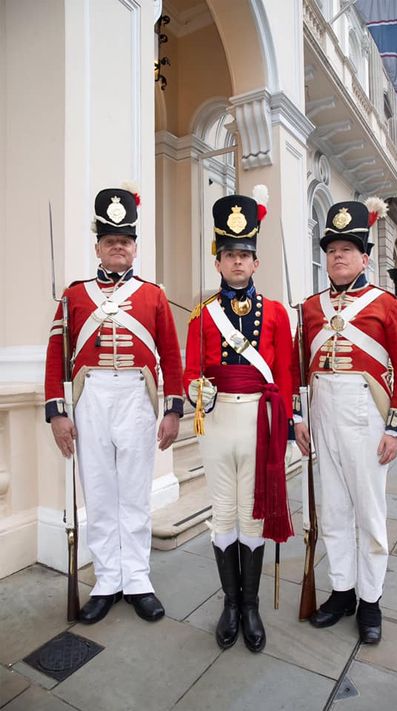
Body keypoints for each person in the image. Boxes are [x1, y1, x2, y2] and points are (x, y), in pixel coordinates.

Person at [45, 183, 184, 624]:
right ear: (98, 248)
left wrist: (174, 409)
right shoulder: (74, 295)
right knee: (101, 493)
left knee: (135, 493)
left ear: (134, 248)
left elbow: (172, 355)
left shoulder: (152, 295)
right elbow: (55, 355)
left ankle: (138, 579)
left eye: (124, 241)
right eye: (110, 242)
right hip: (91, 399)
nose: (118, 248)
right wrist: (57, 412)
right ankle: (107, 580)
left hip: (137, 399)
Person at [293, 198, 397, 644]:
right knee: (333, 511)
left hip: (367, 418)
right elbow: (297, 369)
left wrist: (395, 427)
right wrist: (297, 419)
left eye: (347, 248)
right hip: (322, 415)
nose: (338, 256)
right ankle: (342, 591)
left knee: (369, 513)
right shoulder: (310, 307)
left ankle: (370, 600)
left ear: (365, 257)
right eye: (331, 249)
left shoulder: (386, 304)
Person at [184, 186, 294, 653]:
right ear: (217, 261)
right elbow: (190, 369)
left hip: (259, 423)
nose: (236, 262)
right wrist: (195, 389)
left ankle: (250, 607)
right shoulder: (201, 316)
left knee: (253, 516)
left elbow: (286, 374)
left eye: (244, 255)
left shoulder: (275, 313)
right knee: (222, 515)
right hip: (217, 423)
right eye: (228, 254)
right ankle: (230, 603)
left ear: (256, 261)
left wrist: (287, 426)